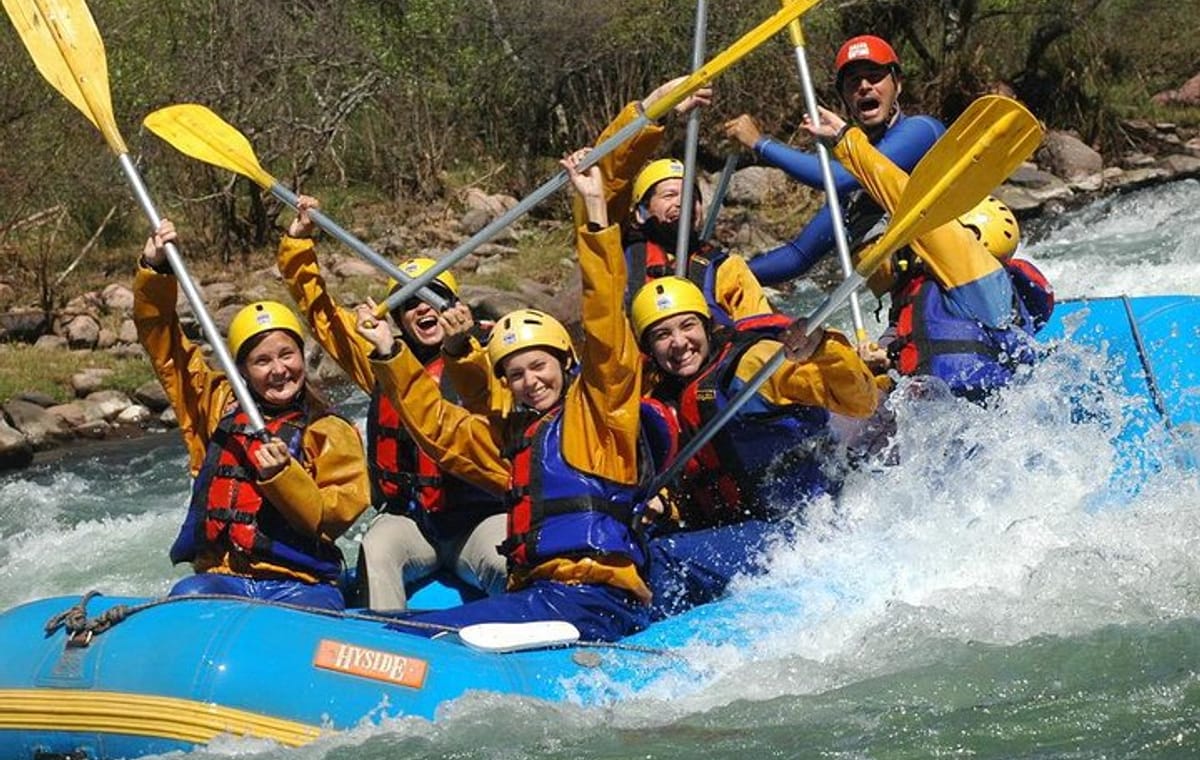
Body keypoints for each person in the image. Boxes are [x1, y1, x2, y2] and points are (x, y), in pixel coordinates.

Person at [355, 149, 675, 642]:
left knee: (410, 635)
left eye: (539, 366)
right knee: (405, 628)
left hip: (594, 598)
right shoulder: (513, 442)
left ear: (568, 365)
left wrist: (595, 220)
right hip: (541, 597)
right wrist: (389, 352)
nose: (531, 381)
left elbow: (607, 324)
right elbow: (439, 428)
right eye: (517, 374)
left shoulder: (601, 417)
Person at [277, 198, 508, 611]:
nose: (424, 308)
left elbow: (502, 407)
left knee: (506, 557)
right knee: (377, 547)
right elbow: (324, 316)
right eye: (409, 303)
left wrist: (462, 347)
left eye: (435, 298)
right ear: (397, 319)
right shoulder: (382, 361)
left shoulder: (492, 358)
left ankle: (527, 648)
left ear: (455, 307)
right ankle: (385, 655)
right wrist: (298, 245)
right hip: (413, 521)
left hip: (477, 518)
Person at [134, 220, 370, 610]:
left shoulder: (329, 430)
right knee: (184, 599)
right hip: (224, 578)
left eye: (286, 355)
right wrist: (155, 270)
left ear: (302, 358)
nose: (278, 370)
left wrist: (283, 477)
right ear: (242, 370)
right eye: (262, 361)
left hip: (299, 582)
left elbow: (332, 518)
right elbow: (166, 347)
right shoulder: (217, 406)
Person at [629, 276, 878, 617]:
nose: (678, 342)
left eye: (687, 326)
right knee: (637, 543)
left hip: (801, 529)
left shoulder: (754, 364)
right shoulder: (662, 395)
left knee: (664, 558)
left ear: (706, 325)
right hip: (745, 529)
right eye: (662, 335)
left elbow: (860, 402)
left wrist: (821, 349)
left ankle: (648, 644)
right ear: (649, 349)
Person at [802, 105, 1054, 402]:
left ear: (968, 234)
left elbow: (905, 199)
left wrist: (846, 140)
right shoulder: (974, 294)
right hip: (970, 423)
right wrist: (885, 360)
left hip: (961, 424)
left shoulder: (971, 269)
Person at [723, 34, 946, 287]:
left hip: (958, 291)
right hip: (910, 307)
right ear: (844, 96)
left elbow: (838, 178)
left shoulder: (922, 131)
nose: (864, 86)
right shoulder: (853, 191)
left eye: (874, 76)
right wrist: (726, 273)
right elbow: (799, 256)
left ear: (898, 84)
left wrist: (760, 143)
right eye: (853, 81)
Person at [625, 157, 775, 327]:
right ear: (641, 212)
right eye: (670, 195)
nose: (684, 202)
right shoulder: (619, 257)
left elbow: (760, 330)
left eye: (692, 196)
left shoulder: (727, 269)